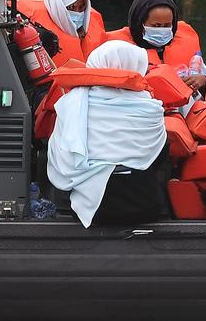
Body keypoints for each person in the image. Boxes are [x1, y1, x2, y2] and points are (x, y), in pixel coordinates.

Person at [47, 40, 168, 228]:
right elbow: (158, 157)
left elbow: (60, 159)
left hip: (92, 210)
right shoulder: (151, 108)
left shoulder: (71, 103)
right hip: (145, 206)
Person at [106, 0, 206, 93]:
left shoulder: (188, 47)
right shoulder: (118, 51)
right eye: (156, 26)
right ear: (139, 23)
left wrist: (204, 81)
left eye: (167, 25)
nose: (162, 30)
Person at [17, 0, 106, 67]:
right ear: (57, 5)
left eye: (82, 7)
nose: (77, 13)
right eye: (70, 7)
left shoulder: (94, 26)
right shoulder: (34, 32)